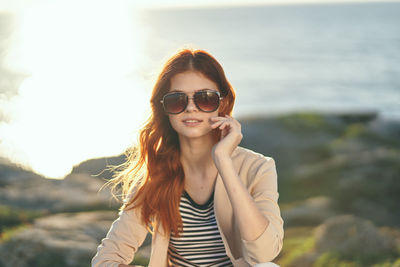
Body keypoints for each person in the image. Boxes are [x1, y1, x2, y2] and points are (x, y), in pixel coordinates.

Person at [91, 47, 284, 267]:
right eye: (177, 100)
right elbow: (106, 258)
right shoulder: (156, 176)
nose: (191, 108)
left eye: (205, 98)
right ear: (164, 108)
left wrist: (224, 162)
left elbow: (265, 254)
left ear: (221, 103)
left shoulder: (258, 167)